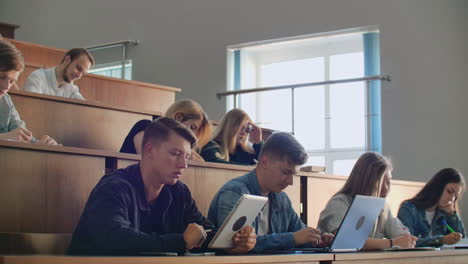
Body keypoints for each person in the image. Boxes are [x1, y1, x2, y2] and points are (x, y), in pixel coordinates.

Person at [68, 118, 255, 255]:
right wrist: (181, 241)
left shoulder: (179, 191)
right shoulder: (114, 187)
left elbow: (203, 232)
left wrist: (233, 242)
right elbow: (116, 239)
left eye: (187, 156)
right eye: (175, 153)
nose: (184, 164)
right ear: (149, 150)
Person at [208, 132, 334, 252]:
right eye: (286, 172)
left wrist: (318, 240)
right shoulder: (234, 192)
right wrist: (292, 238)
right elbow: (232, 245)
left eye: (293, 174)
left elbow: (301, 236)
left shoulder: (282, 199)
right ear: (264, 162)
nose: (290, 182)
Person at [317, 152, 418, 250]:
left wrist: (407, 240)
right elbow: (346, 242)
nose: (386, 190)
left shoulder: (383, 208)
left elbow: (403, 237)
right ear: (366, 182)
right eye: (381, 183)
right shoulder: (339, 203)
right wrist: (392, 243)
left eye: (388, 183)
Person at [0, 39, 58, 145]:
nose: (6, 87)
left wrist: (40, 144)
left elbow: (21, 134)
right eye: (1, 77)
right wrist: (4, 138)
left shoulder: (6, 100)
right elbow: (10, 137)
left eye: (12, 81)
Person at [119, 99, 212, 161]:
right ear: (178, 117)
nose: (193, 136)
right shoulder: (146, 127)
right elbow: (149, 159)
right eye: (192, 127)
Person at [398, 168, 466, 247]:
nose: (452, 199)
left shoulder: (445, 213)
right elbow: (406, 241)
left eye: (455, 196)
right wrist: (441, 240)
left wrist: (452, 215)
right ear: (438, 186)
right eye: (449, 191)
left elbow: (462, 242)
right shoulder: (409, 208)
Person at [23, 48, 94, 100]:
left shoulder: (72, 89)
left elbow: (86, 109)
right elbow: (32, 107)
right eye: (78, 68)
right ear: (67, 60)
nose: (79, 75)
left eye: (82, 73)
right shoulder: (38, 77)